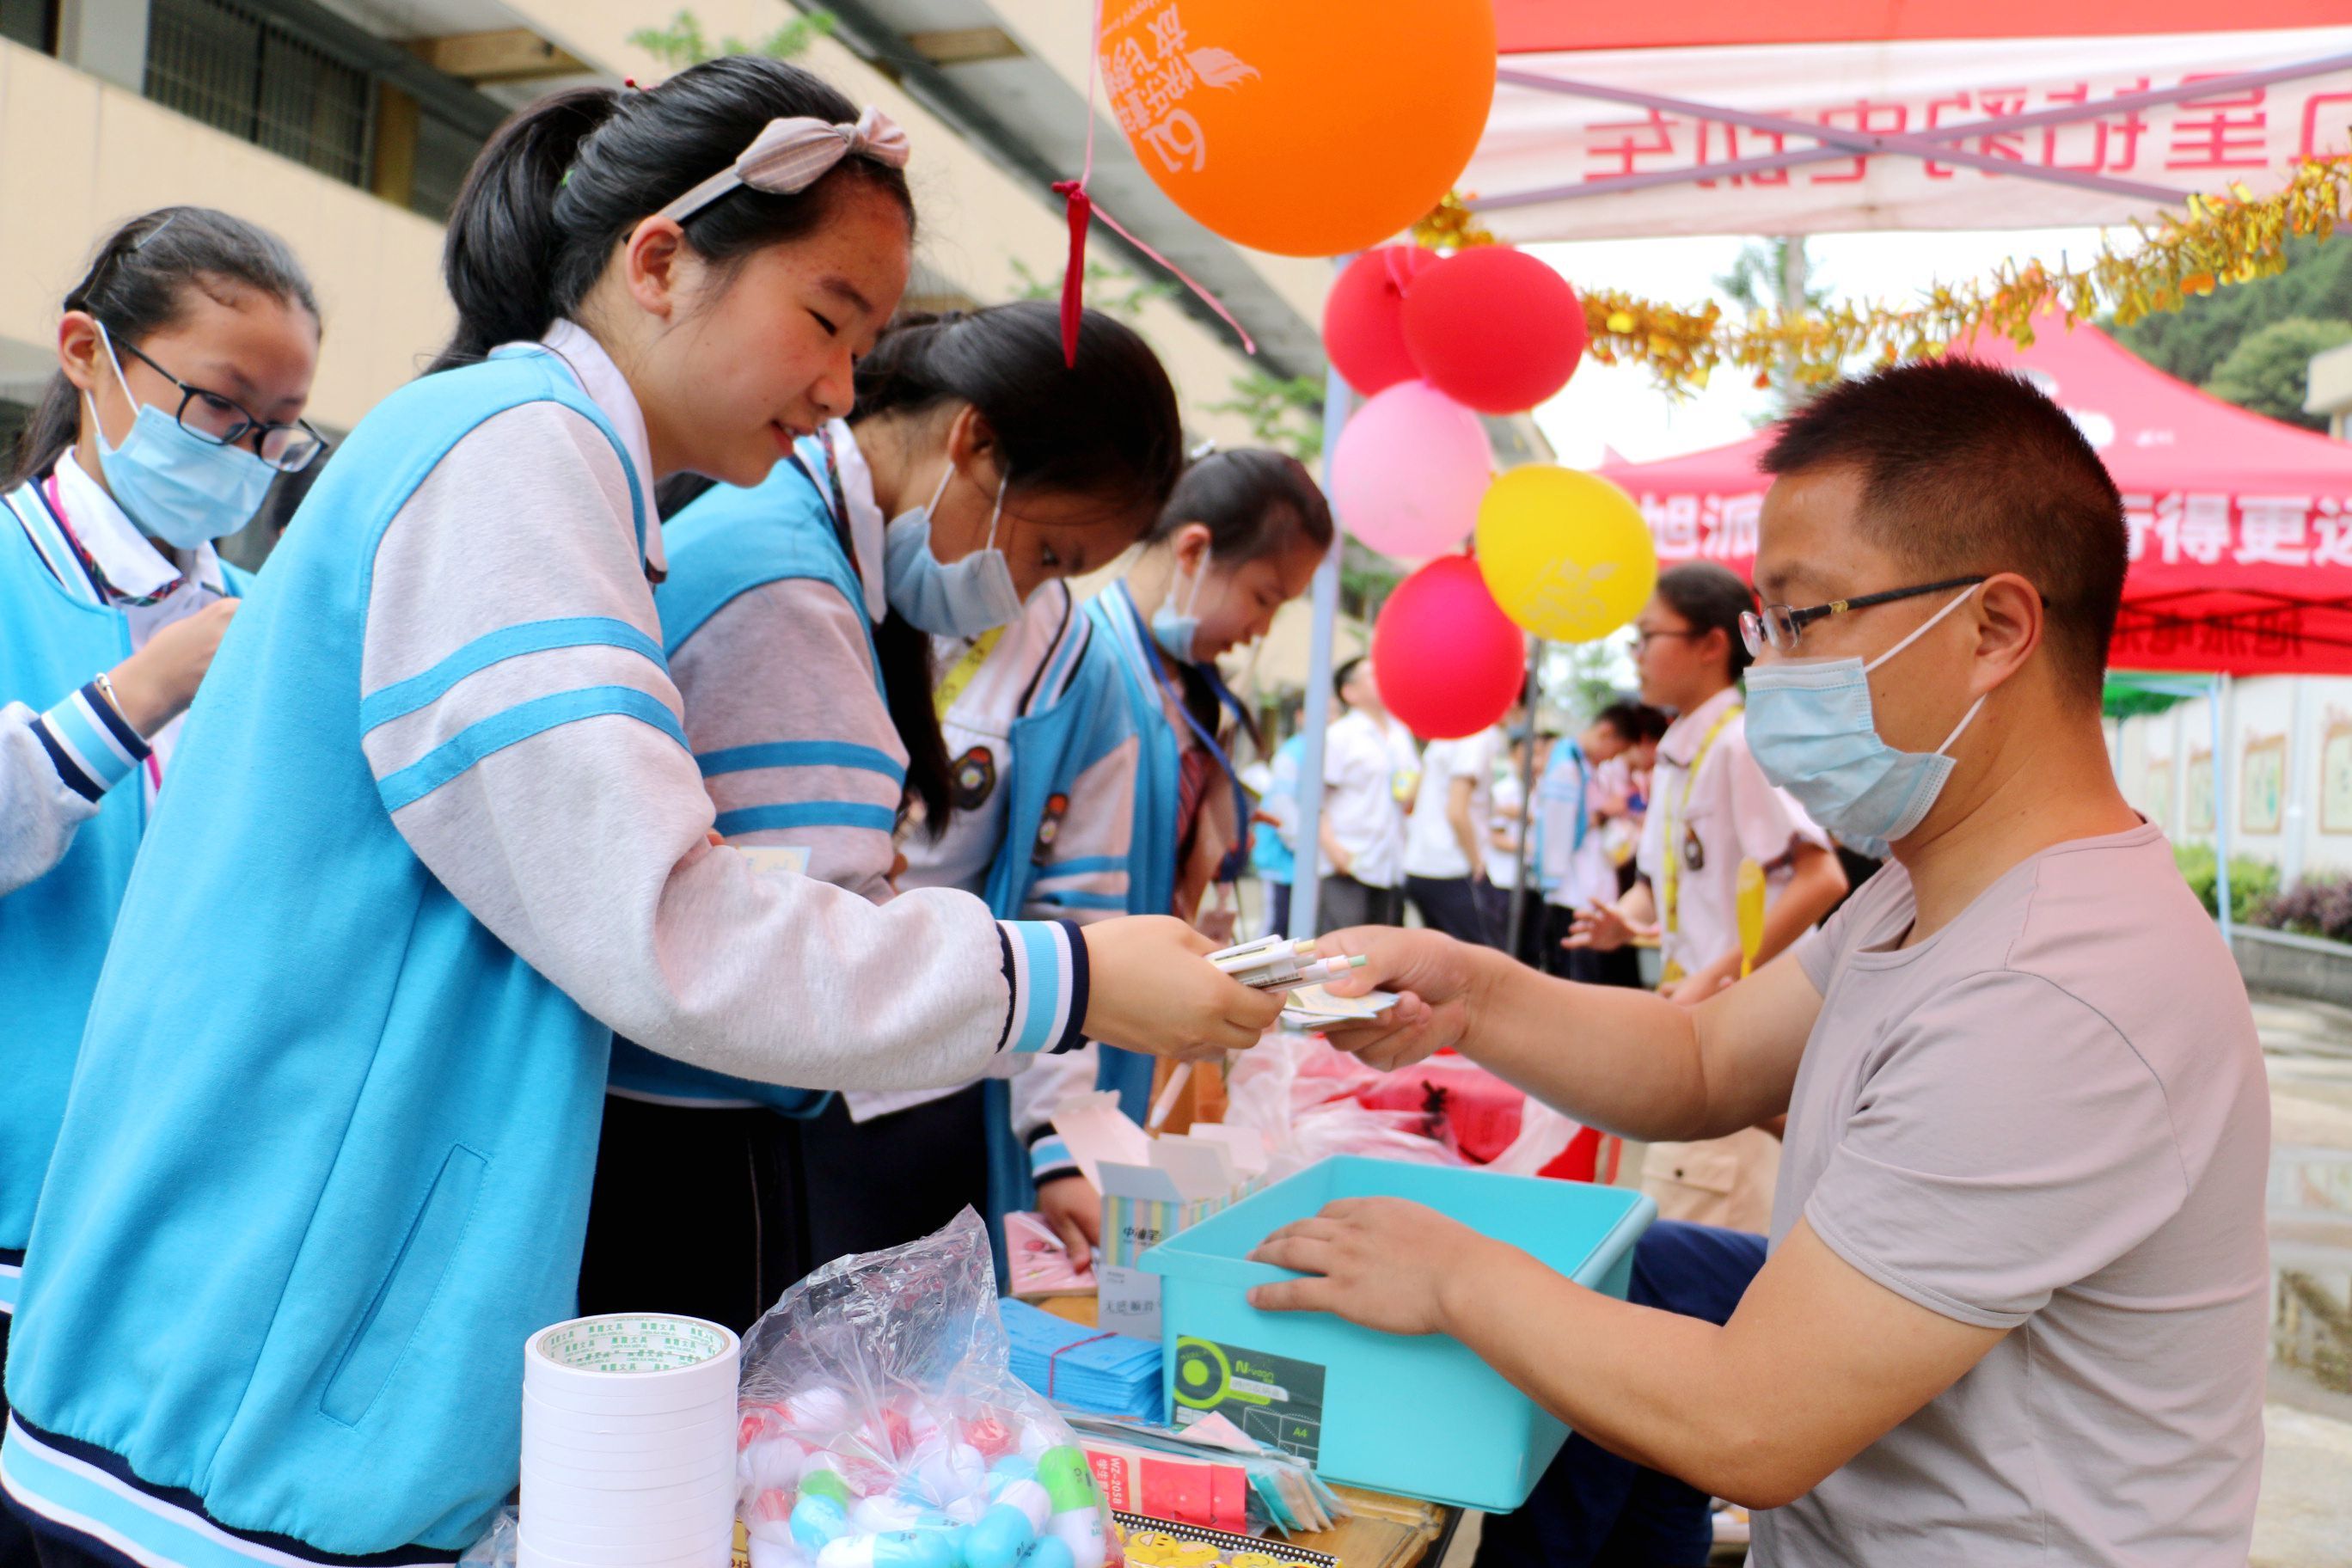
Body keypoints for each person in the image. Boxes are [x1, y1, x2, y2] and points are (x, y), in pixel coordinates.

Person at [0, 61, 1278, 1568]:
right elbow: (665, 921)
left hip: (260, 1342)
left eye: (865, 342)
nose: (838, 390)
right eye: (825, 319)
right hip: (245, 1379)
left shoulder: (551, 463)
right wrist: (1057, 978)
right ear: (659, 259)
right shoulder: (516, 458)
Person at [1253, 359, 2268, 1567]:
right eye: (1762, 625)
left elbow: (1750, 1418)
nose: (1769, 668)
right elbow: (1703, 1057)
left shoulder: (2055, 987)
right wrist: (1467, 990)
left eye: (1802, 619)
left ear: (1995, 629)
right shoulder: (1927, 892)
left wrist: (1458, 1276)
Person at [577, 300, 1185, 1331]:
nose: (1033, 594)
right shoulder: (788, 587)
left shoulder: (799, 547)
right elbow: (801, 959)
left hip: (693, 1109)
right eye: (1049, 557)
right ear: (975, 443)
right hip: (698, 1128)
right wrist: (1077, 981)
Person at [0, 206, 322, 1568]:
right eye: (221, 410)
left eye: (280, 431)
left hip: (187, 1209)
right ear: (88, 354)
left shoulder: (265, 610)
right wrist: (144, 691)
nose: (246, 458)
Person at [1567, 564, 1847, 1232]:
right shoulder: (1677, 753)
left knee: (1709, 1222)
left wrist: (1716, 977)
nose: (1636, 656)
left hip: (1743, 1025)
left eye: (1647, 636)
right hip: (1706, 1022)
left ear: (1710, 645)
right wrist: (1625, 922)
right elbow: (1657, 885)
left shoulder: (1737, 746)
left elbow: (1822, 879)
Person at [1082, 448, 1332, 1113]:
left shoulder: (1190, 697)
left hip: (1138, 1022)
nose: (1261, 630)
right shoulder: (1085, 668)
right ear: (1193, 551)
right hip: (1073, 1027)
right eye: (1262, 597)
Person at [1538, 703, 1647, 988]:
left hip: (1582, 889)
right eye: (1617, 750)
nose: (1613, 758)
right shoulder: (1567, 766)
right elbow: (1558, 831)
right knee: (1575, 980)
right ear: (1606, 732)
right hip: (1571, 892)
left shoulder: (1580, 764)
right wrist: (1602, 814)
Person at [1317, 655, 1416, 931]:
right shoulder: (1340, 735)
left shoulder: (1401, 733)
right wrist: (1334, 850)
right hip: (1350, 863)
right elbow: (1315, 801)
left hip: (1390, 863)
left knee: (1386, 952)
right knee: (1344, 951)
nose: (1383, 679)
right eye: (1372, 675)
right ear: (1349, 692)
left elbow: (1408, 788)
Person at [1402, 720, 1502, 946]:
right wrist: (1477, 864)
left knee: (1442, 963)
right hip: (1452, 867)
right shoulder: (1475, 734)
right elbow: (1456, 811)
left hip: (1420, 863)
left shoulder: (1445, 731)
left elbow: (1412, 798)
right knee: (1484, 961)